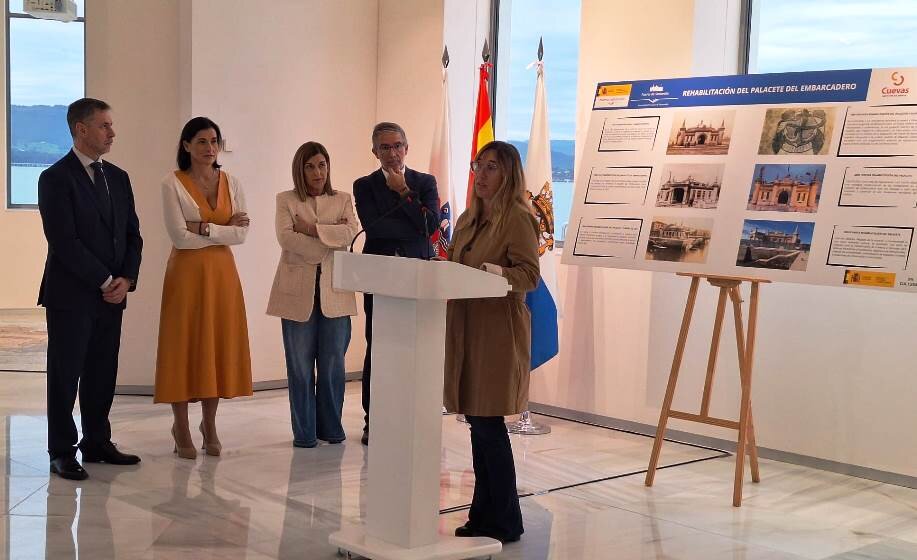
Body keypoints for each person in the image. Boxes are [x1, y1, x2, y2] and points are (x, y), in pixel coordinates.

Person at [37, 97, 143, 480]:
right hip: (72, 295)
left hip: (113, 295)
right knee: (65, 374)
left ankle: (97, 441)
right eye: (104, 126)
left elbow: (133, 235)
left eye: (111, 125)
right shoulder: (54, 178)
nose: (112, 132)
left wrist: (126, 279)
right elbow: (64, 241)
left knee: (102, 371)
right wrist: (104, 280)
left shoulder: (119, 177)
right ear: (81, 129)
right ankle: (61, 450)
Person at [444, 141, 540, 543]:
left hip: (497, 330)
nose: (481, 175)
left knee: (488, 425)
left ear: (509, 174)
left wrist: (492, 272)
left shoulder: (518, 217)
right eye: (478, 166)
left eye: (491, 168)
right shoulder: (469, 216)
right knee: (478, 425)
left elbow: (529, 275)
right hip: (465, 325)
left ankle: (505, 520)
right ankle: (485, 515)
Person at [154, 117, 252, 459]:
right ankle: (180, 423)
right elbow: (179, 237)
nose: (210, 148)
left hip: (222, 276)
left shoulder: (233, 182)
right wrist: (219, 228)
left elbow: (241, 234)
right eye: (201, 142)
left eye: (214, 141)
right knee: (183, 347)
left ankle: (209, 424)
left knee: (215, 345)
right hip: (185, 275)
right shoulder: (172, 183)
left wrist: (205, 229)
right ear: (186, 146)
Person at [267, 141, 359, 448]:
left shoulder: (343, 199)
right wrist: (328, 236)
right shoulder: (286, 199)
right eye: (310, 166)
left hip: (336, 293)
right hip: (296, 294)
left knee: (333, 365)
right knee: (300, 367)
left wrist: (311, 229)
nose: (317, 172)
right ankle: (304, 434)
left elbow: (350, 233)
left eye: (322, 165)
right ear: (300, 170)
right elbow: (285, 238)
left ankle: (331, 429)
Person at [353, 122, 439, 445]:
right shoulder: (364, 185)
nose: (392, 153)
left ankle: (410, 417)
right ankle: (372, 420)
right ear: (375, 152)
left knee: (415, 350)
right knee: (379, 349)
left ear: (407, 147)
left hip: (418, 277)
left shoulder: (424, 182)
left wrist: (403, 191)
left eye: (398, 145)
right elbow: (377, 230)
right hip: (381, 278)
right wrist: (412, 218)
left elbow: (430, 227)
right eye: (385, 147)